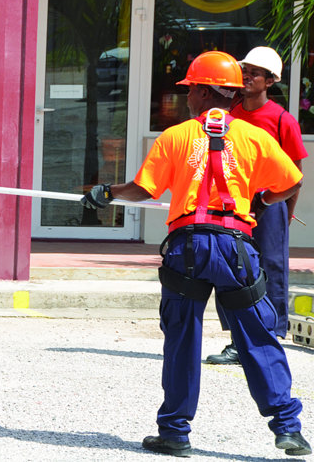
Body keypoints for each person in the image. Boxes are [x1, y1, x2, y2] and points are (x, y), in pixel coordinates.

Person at [80, 51, 310, 457]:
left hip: (188, 248)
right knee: (257, 336)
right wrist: (262, 202)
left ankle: (174, 433)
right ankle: (287, 429)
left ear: (203, 92)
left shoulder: (176, 137)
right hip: (236, 248)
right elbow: (293, 181)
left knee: (182, 338)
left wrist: (105, 194)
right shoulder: (256, 138)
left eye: (189, 90)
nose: (186, 97)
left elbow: (143, 190)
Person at [205, 47, 308, 365]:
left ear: (270, 81)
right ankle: (239, 338)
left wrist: (285, 211)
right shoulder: (228, 112)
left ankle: (270, 337)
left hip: (270, 202)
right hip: (230, 200)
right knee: (230, 265)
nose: (247, 76)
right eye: (244, 70)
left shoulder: (282, 120)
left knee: (271, 266)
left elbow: (295, 174)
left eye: (255, 72)